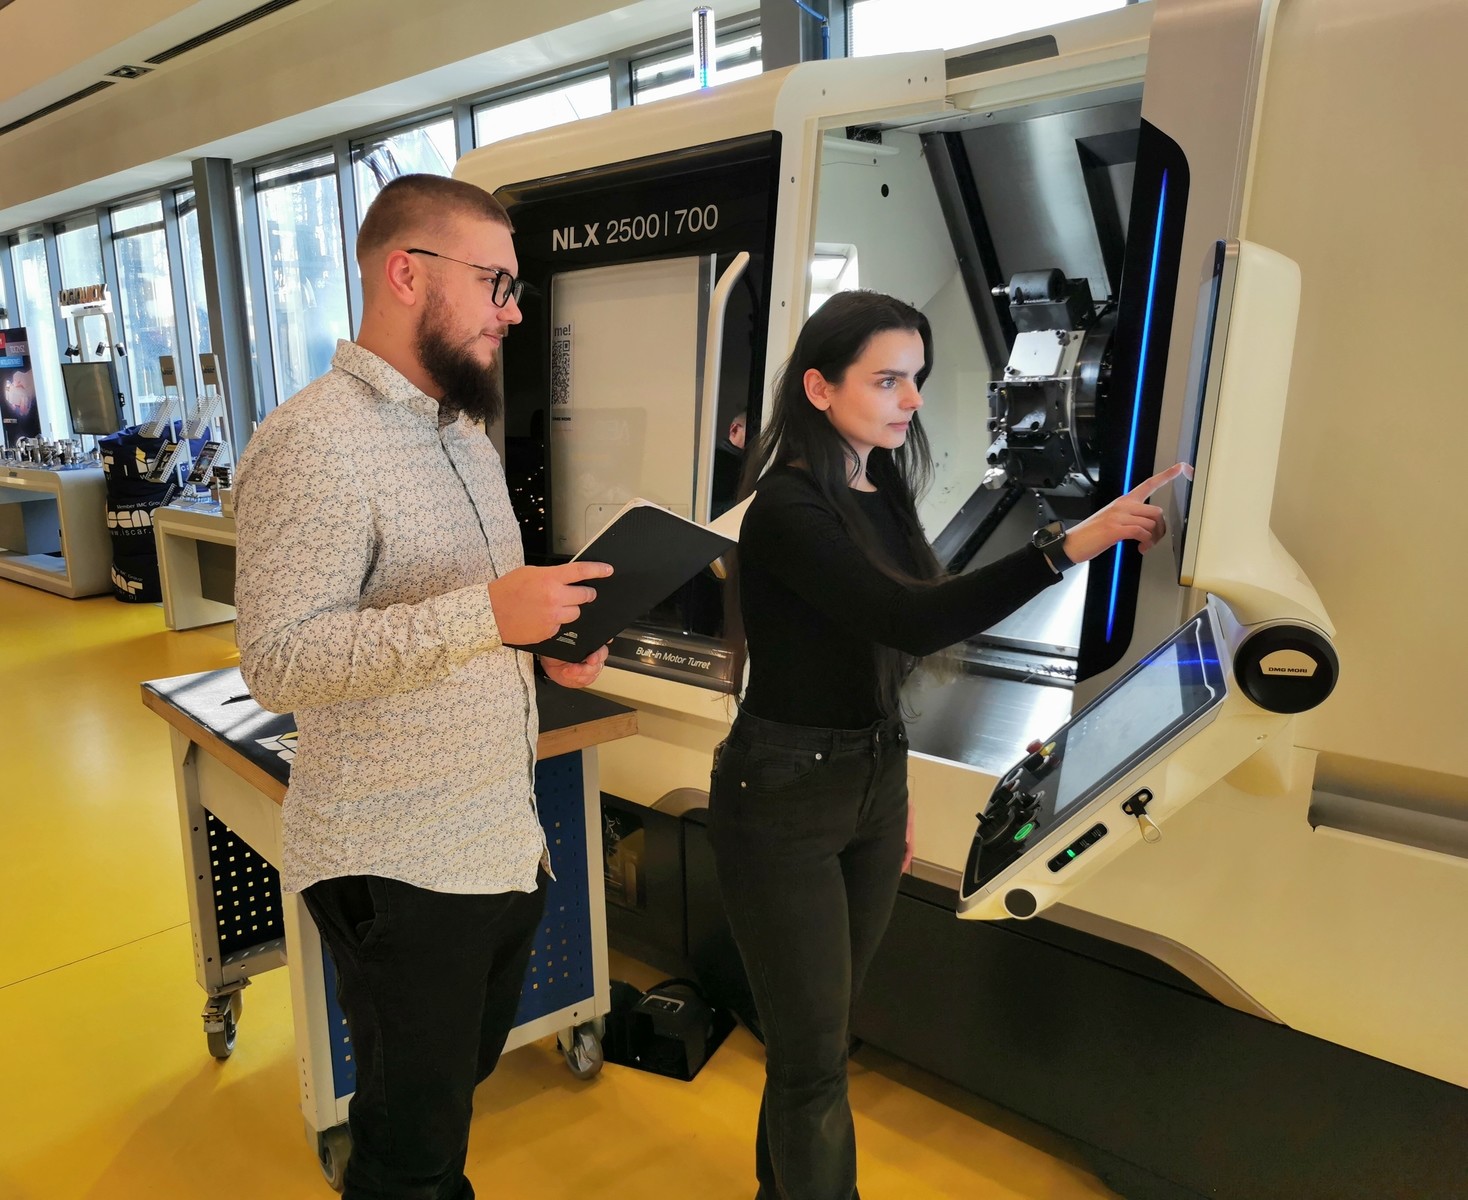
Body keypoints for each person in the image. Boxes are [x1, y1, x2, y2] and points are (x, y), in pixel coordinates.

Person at [709, 289, 1188, 1200]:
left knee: (818, 1040)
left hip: (867, 779)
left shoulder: (875, 488)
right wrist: (1070, 545)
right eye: (887, 380)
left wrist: (886, 796)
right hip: (782, 793)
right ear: (819, 387)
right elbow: (911, 618)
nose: (912, 399)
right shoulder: (786, 509)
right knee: (814, 1058)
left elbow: (880, 653)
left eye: (916, 378)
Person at [233, 173, 613, 1200]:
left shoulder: (462, 434)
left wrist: (543, 646)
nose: (512, 311)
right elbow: (278, 660)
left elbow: (473, 621)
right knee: (411, 1159)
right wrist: (488, 616)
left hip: (494, 842)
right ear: (407, 275)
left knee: (447, 1099)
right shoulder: (312, 442)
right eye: (496, 283)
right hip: (397, 863)